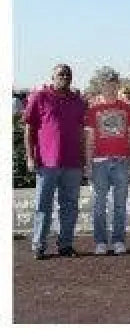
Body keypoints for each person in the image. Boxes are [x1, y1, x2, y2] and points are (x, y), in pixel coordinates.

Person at [23, 64, 86, 259]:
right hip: (47, 162)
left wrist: (84, 159)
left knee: (70, 205)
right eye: (61, 74)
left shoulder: (78, 101)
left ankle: (65, 245)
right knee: (43, 205)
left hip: (72, 162)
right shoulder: (40, 96)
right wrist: (30, 157)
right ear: (53, 76)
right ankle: (39, 246)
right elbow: (29, 128)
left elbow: (82, 132)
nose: (65, 77)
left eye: (68, 74)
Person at [84, 70, 130, 255]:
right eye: (107, 84)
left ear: (117, 85)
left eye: (113, 84)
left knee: (120, 204)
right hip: (99, 162)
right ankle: (100, 241)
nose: (110, 87)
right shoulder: (93, 110)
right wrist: (88, 163)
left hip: (122, 161)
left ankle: (118, 240)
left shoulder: (128, 108)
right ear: (101, 86)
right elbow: (89, 139)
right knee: (99, 204)